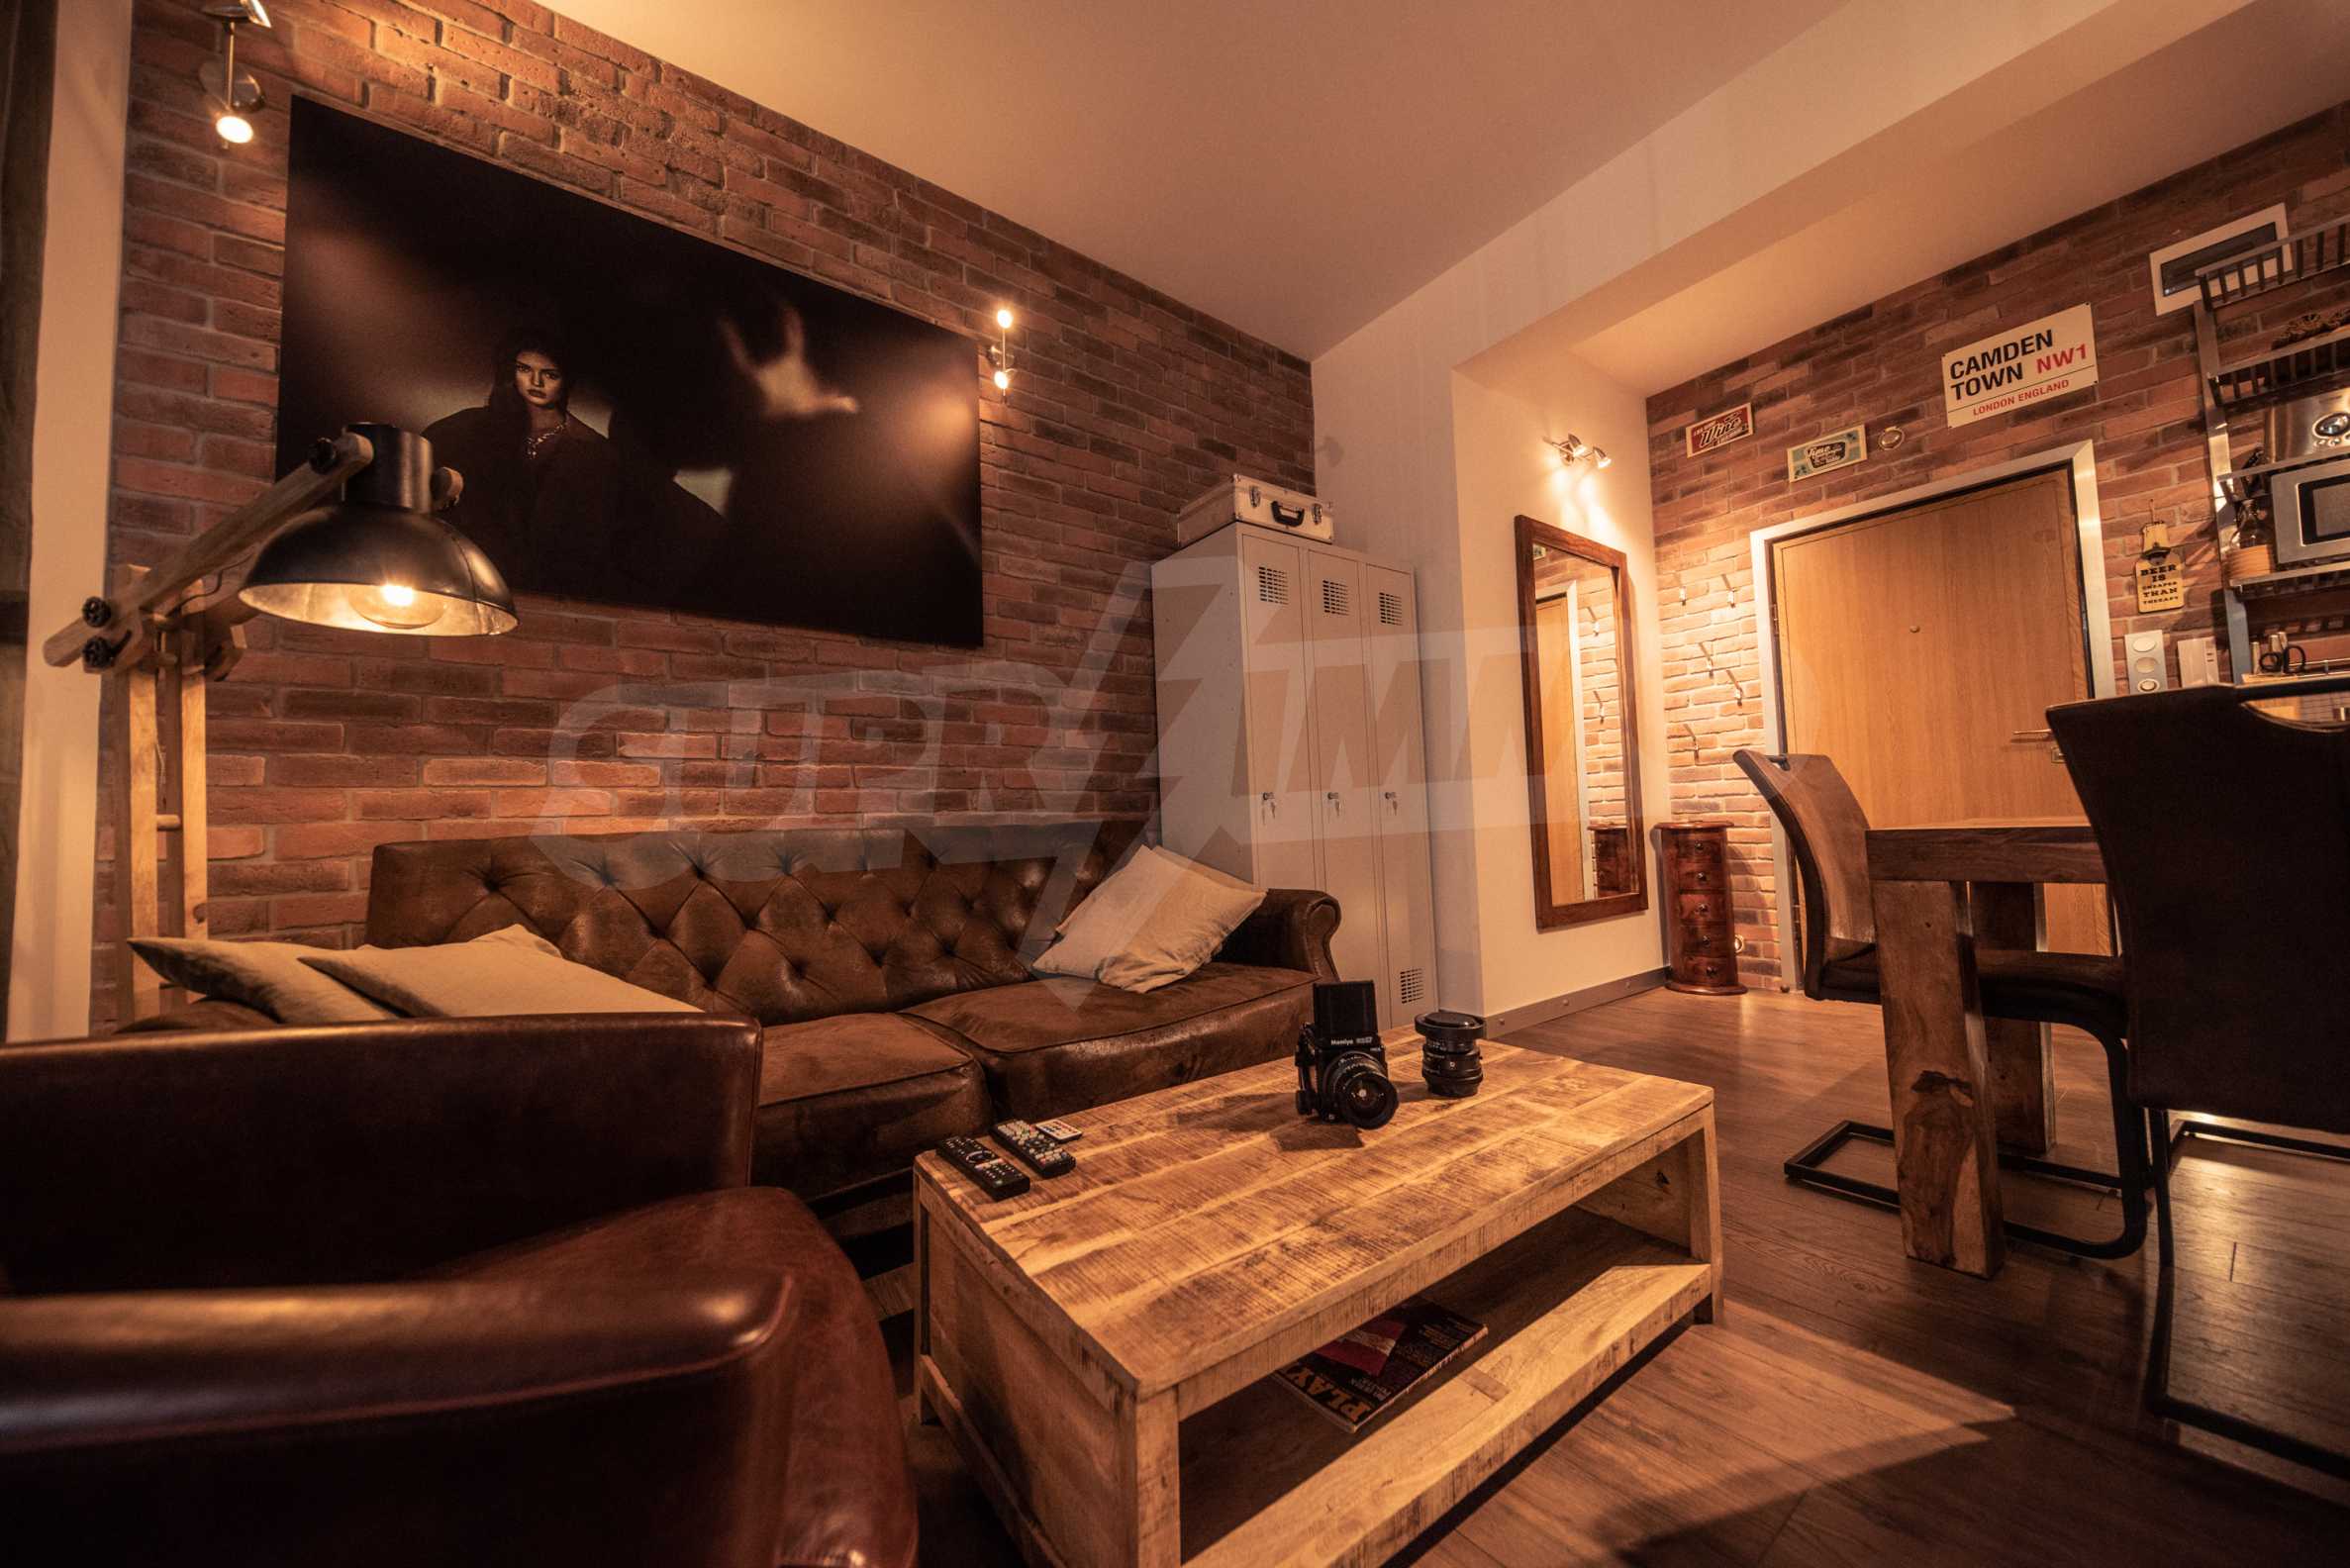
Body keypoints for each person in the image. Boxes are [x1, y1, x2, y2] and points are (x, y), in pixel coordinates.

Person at [423, 328, 621, 599]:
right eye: (524, 369)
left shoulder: (595, 452)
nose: (536, 381)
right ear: (510, 371)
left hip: (552, 592)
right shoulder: (462, 429)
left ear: (566, 380)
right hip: (467, 582)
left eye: (550, 374)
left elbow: (593, 542)